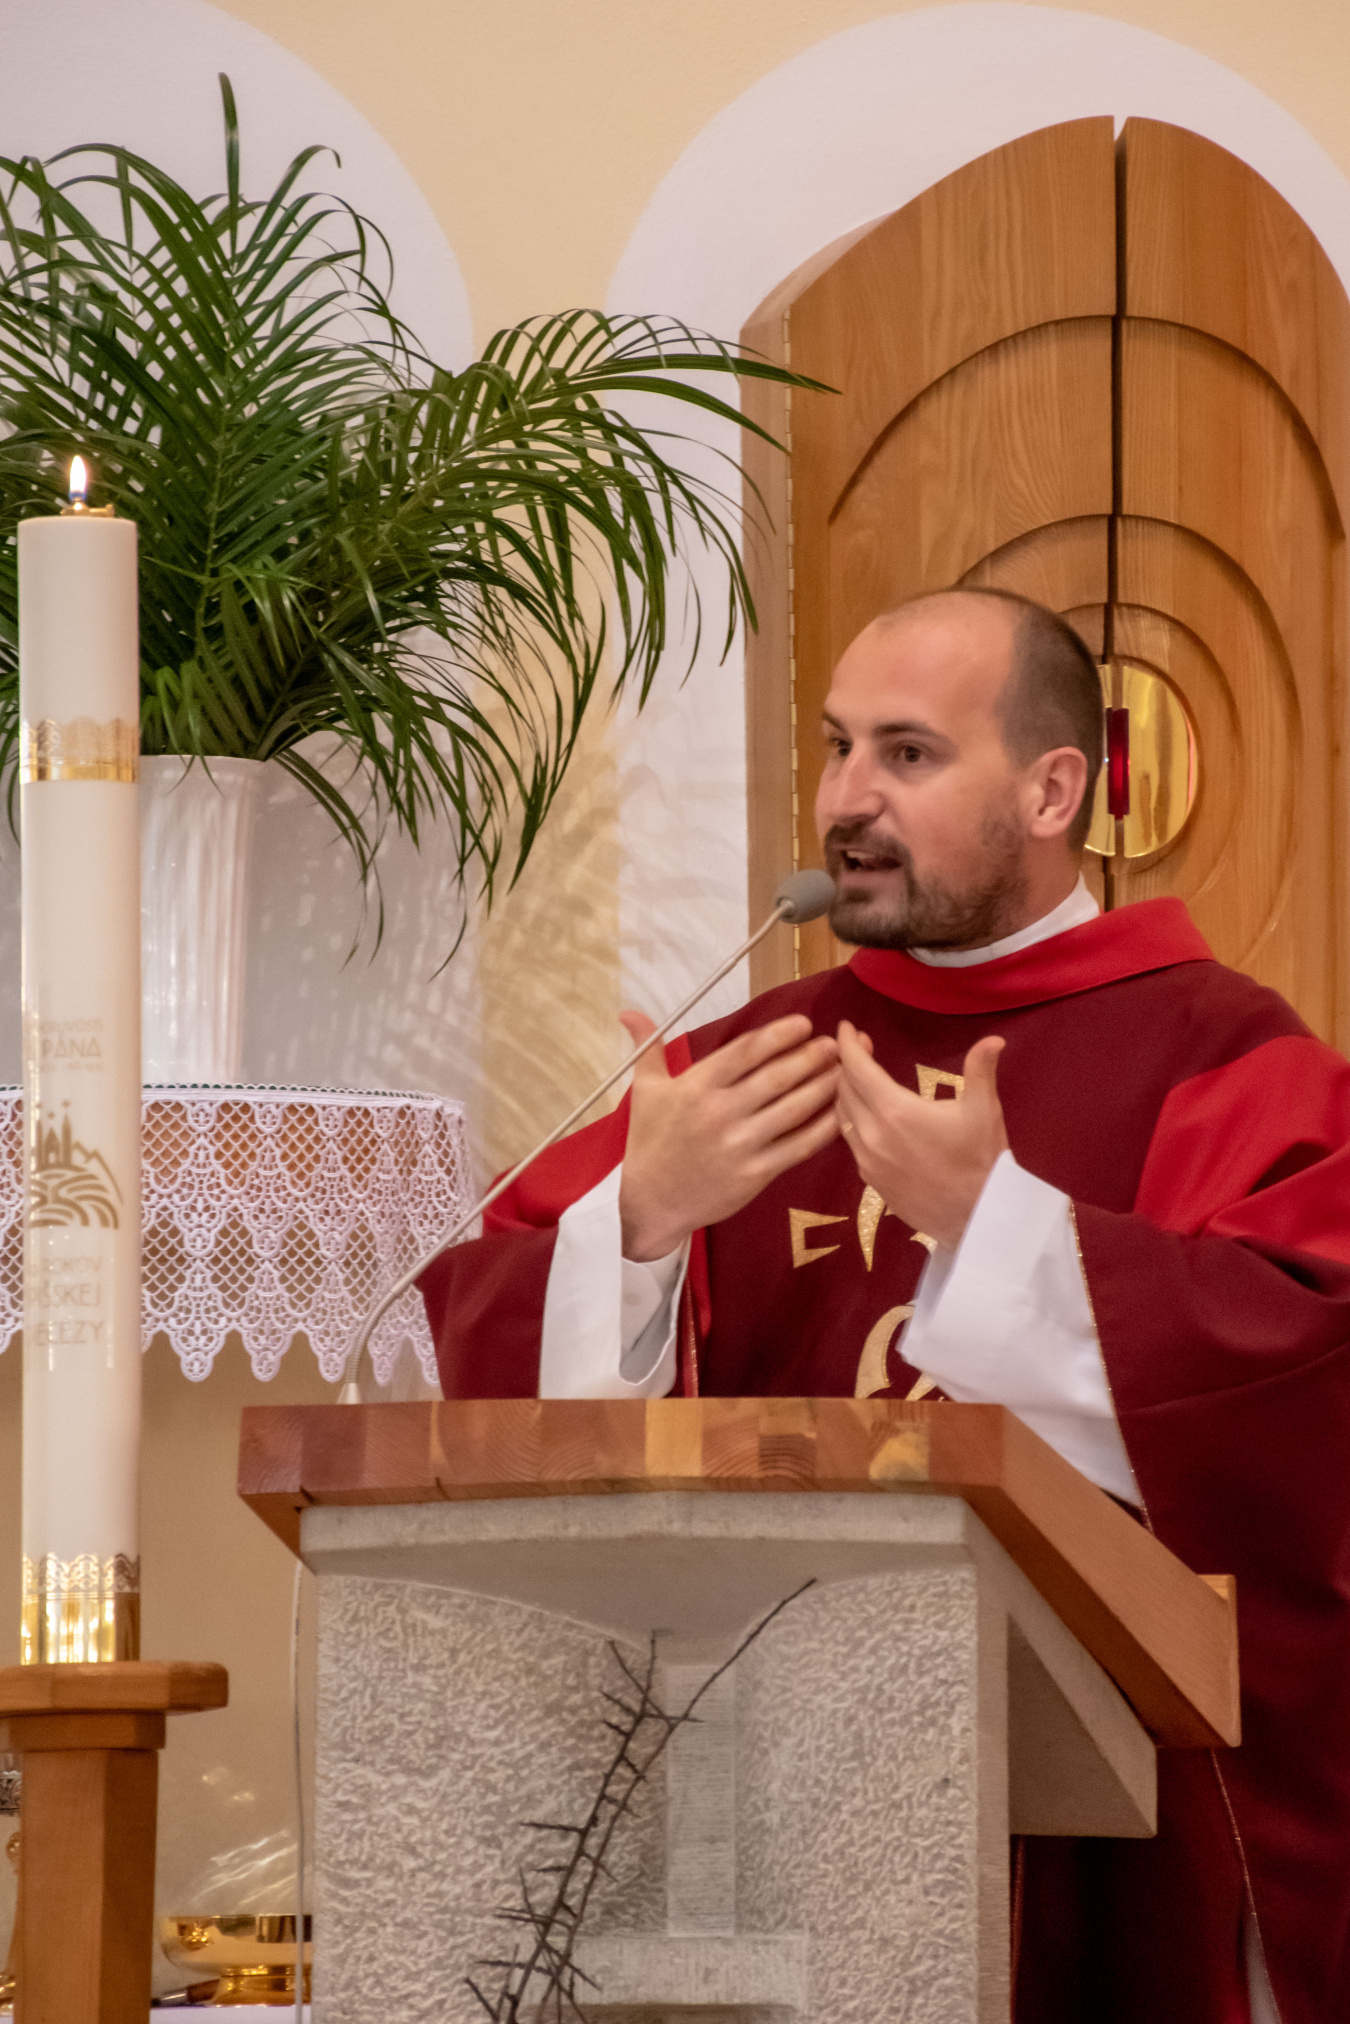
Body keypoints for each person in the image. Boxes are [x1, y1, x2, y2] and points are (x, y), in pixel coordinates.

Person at [421, 588, 1350, 2024]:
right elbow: (476, 1343)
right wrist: (640, 1225)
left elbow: (1304, 1379)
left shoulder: (1218, 1055)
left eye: (908, 754)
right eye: (837, 745)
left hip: (1115, 1848)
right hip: (767, 1811)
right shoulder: (735, 1075)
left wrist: (1004, 1234)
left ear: (1051, 791)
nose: (846, 798)